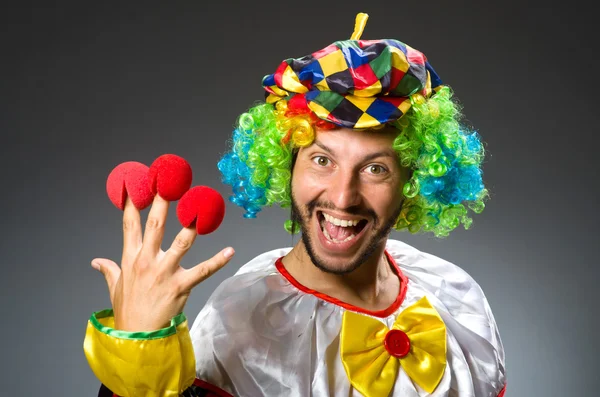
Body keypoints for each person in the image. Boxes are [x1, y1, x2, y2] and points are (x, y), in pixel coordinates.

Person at [84, 14, 506, 397]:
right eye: (322, 161)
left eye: (376, 169)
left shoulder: (454, 293)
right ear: (288, 167)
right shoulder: (241, 319)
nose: (343, 196)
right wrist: (136, 359)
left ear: (413, 181)